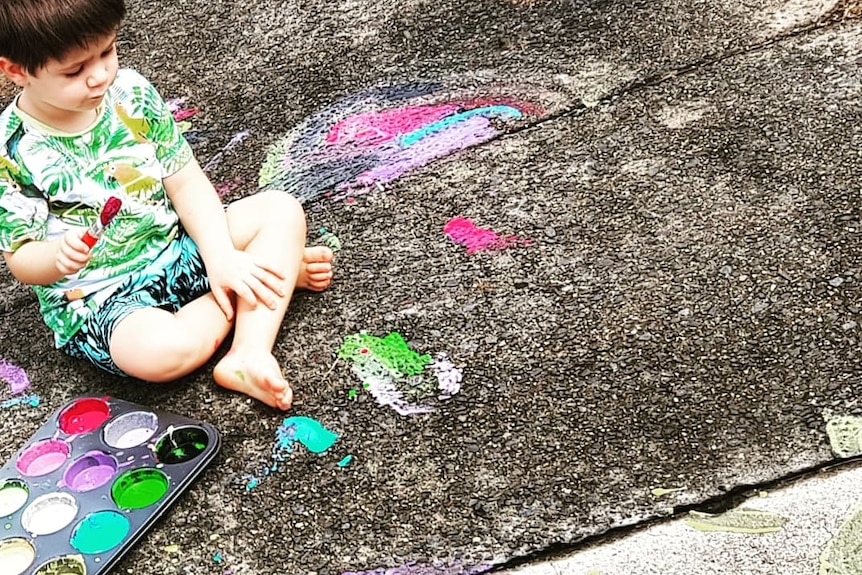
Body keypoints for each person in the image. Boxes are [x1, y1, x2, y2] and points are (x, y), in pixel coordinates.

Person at [0, 0, 334, 411]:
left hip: (176, 249)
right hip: (103, 299)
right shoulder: (11, 152)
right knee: (160, 353)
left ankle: (248, 350)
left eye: (107, 51)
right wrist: (56, 257)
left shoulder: (131, 92)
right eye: (74, 71)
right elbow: (21, 259)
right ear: (16, 70)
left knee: (279, 210)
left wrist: (220, 256)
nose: (100, 75)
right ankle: (266, 282)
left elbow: (186, 180)